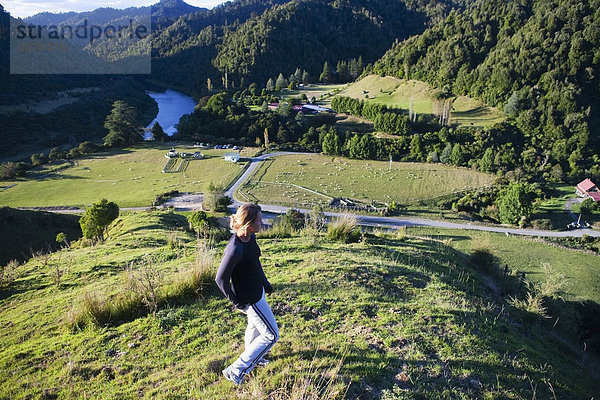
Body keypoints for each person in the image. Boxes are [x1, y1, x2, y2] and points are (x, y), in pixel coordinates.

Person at [215, 203, 279, 385]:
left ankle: (255, 359)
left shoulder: (249, 238)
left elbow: (255, 263)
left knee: (255, 327)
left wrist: (265, 283)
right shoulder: (235, 249)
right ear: (249, 222)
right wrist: (237, 303)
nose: (263, 222)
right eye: (259, 220)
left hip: (257, 291)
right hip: (250, 299)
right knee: (271, 335)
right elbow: (220, 280)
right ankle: (235, 371)